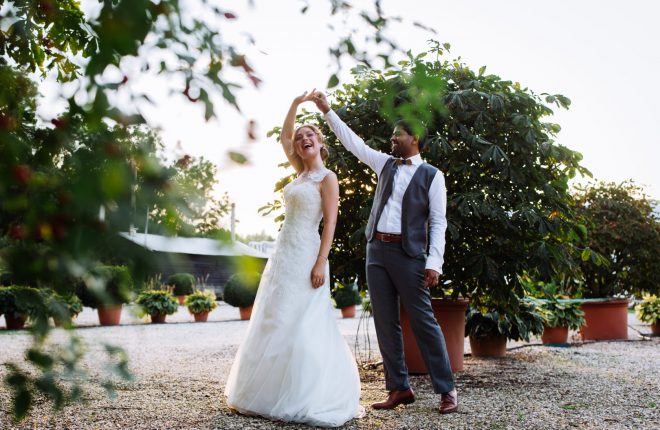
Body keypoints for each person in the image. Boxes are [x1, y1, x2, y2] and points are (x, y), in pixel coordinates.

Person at [311, 91, 458, 414]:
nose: (392, 138)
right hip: (376, 251)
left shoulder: (433, 176)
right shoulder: (386, 164)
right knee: (385, 322)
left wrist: (434, 263)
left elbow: (438, 221)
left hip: (410, 257)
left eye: (398, 134)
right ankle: (398, 388)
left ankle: (446, 390)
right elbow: (355, 144)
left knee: (424, 322)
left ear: (414, 138)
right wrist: (327, 111)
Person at [224, 91, 364, 427]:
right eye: (300, 138)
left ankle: (307, 392)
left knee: (305, 319)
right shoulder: (299, 173)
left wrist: (320, 261)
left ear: (321, 142)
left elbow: (330, 222)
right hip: (284, 253)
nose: (303, 139)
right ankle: (268, 393)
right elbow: (284, 136)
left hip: (308, 254)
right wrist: (295, 104)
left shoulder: (327, 178)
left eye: (310, 135)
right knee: (277, 315)